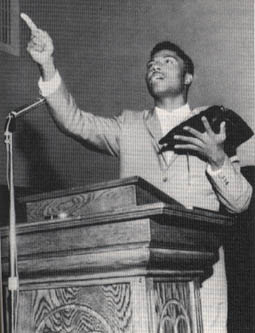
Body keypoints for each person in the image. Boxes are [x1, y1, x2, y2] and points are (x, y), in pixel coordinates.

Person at [21, 13, 252, 333]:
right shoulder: (128, 125)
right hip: (145, 269)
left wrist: (216, 156)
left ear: (188, 77)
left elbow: (240, 202)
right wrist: (46, 64)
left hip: (206, 269)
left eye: (167, 61)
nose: (155, 66)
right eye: (150, 63)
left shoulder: (215, 125)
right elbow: (76, 121)